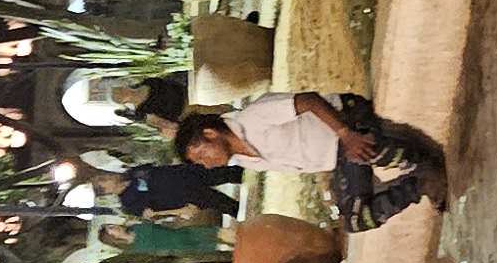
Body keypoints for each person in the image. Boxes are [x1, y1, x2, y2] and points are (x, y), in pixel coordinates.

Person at [175, 93, 447, 229]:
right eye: (200, 163)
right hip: (337, 153)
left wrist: (345, 133)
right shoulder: (244, 161)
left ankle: (420, 164)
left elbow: (308, 101)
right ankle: (418, 180)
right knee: (355, 219)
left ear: (210, 133)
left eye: (202, 155)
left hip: (347, 119)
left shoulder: (252, 118)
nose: (207, 164)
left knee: (361, 151)